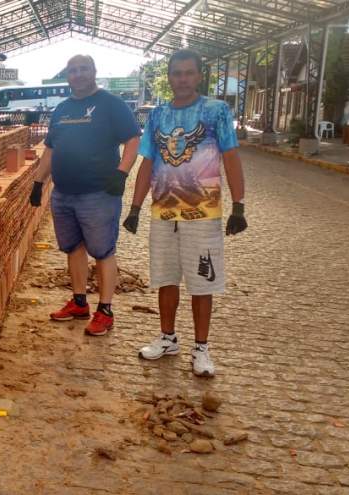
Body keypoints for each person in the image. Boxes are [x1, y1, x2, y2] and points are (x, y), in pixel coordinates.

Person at [122, 49, 247, 377]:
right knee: (165, 279)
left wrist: (239, 206)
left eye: (189, 73)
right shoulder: (157, 116)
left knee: (202, 284)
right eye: (177, 73)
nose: (182, 79)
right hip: (164, 214)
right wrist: (135, 207)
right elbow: (147, 162)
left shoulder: (216, 111)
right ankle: (167, 338)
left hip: (203, 215)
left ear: (199, 76)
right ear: (169, 77)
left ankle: (202, 348)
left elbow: (231, 158)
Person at [28, 54, 141, 336]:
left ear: (94, 71)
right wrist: (38, 182)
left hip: (99, 193)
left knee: (103, 251)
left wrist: (122, 172)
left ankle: (105, 309)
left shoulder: (111, 105)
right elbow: (51, 149)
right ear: (68, 75)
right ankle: (79, 302)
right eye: (73, 70)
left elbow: (133, 139)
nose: (78, 74)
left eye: (83, 69)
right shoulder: (62, 109)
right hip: (64, 193)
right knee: (73, 247)